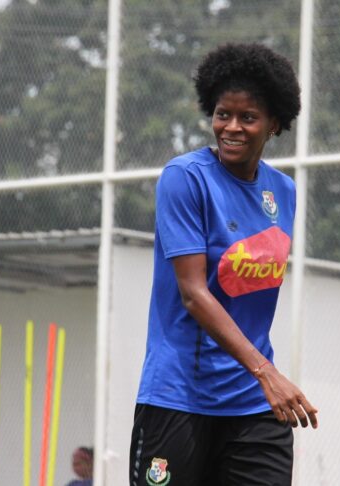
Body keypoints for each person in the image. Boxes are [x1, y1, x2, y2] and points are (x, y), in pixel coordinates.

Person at [129, 43, 318, 486]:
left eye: (247, 117)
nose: (231, 127)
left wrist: (261, 377)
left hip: (253, 403)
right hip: (180, 397)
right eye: (222, 114)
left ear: (274, 123)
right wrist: (267, 372)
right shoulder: (185, 178)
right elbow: (194, 295)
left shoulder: (283, 192)